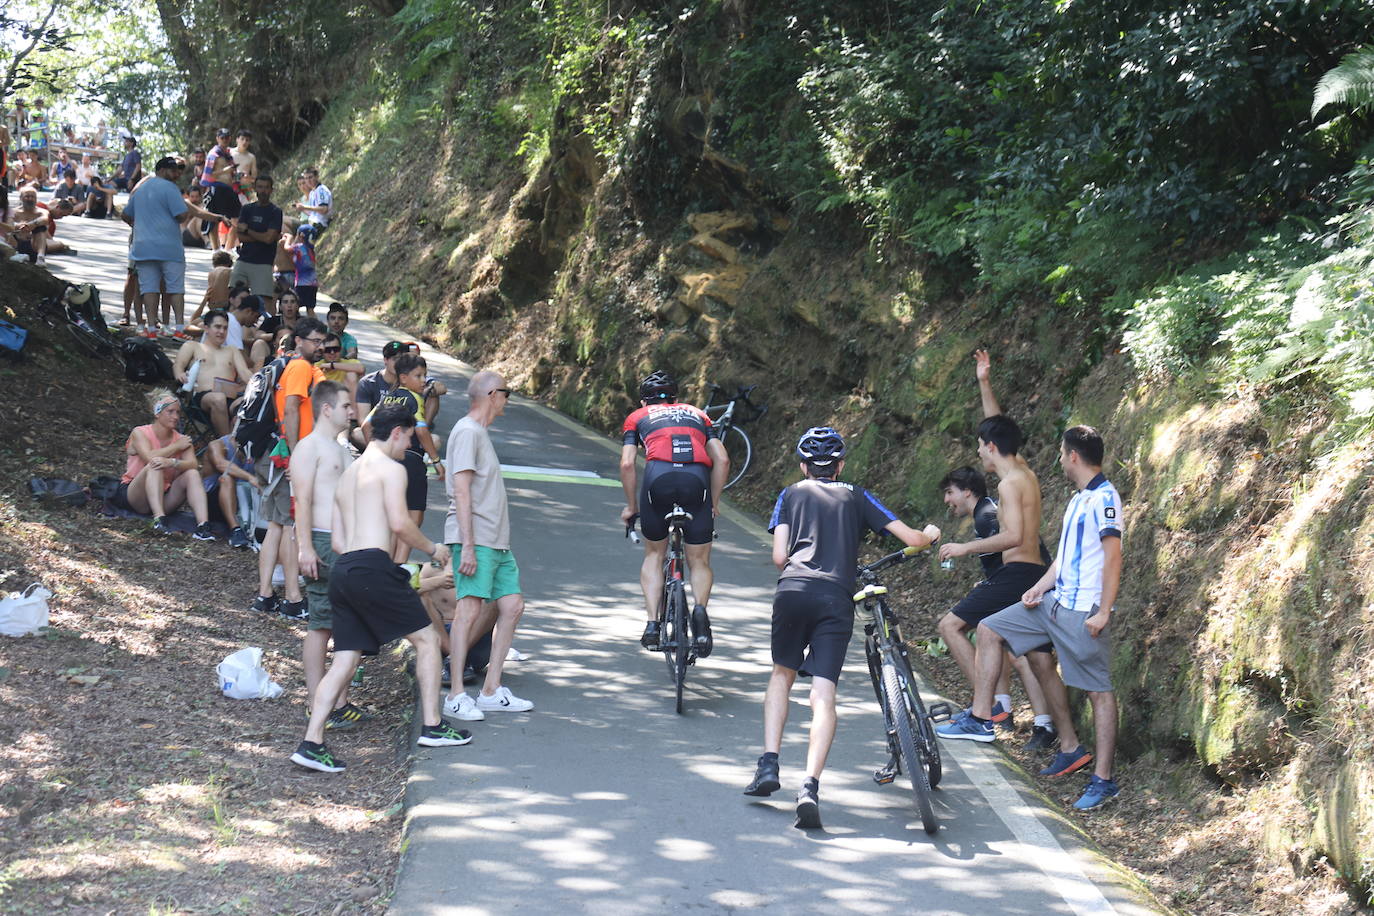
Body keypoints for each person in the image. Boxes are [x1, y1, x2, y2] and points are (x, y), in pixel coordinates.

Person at [745, 427, 941, 829]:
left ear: (803, 466)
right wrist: (931, 535)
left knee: (782, 674)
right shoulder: (856, 494)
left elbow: (779, 555)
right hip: (835, 596)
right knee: (823, 693)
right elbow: (912, 539)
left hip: (793, 589)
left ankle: (768, 764)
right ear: (841, 465)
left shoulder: (790, 494)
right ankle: (810, 787)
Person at [938, 425, 1124, 811]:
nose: (1058, 459)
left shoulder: (1105, 498)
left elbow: (1113, 555)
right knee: (989, 628)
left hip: (1082, 610)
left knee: (1098, 692)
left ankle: (1103, 780)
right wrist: (1041, 587)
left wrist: (1104, 610)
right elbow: (1063, 556)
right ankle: (981, 718)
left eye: (1060, 453)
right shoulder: (1078, 499)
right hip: (1053, 602)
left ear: (1073, 456)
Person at [290, 403, 472, 773]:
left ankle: (311, 743)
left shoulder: (348, 474)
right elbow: (400, 523)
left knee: (343, 660)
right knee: (425, 641)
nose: (409, 448)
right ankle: (434, 726)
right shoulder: (392, 469)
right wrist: (433, 550)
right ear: (397, 432)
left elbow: (339, 542)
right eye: (408, 439)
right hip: (373, 566)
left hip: (345, 570)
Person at [937, 466, 1057, 750]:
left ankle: (987, 707)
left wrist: (965, 548)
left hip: (1024, 580)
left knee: (950, 625)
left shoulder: (987, 512)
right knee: (1022, 652)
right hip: (1032, 580)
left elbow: (1013, 542)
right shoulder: (987, 511)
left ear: (967, 491)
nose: (947, 500)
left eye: (950, 492)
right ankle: (1042, 723)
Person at [440, 370, 534, 721]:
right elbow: (460, 489)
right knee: (469, 611)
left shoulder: (479, 433)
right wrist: (466, 545)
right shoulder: (467, 431)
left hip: (496, 542)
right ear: (493, 394)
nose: (508, 400)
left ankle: (491, 689)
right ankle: (457, 696)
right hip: (476, 538)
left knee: (512, 605)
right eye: (506, 393)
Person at [619, 370, 726, 655]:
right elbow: (723, 459)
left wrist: (632, 507)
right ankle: (700, 612)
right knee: (700, 561)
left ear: (644, 402)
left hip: (659, 481)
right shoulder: (698, 414)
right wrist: (712, 502)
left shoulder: (637, 418)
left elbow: (628, 464)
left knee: (655, 554)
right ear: (677, 398)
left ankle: (653, 625)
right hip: (697, 483)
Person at [291, 380, 367, 729]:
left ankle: (339, 699)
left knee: (347, 622)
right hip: (321, 542)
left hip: (347, 544)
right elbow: (302, 501)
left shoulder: (340, 448)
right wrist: (304, 547)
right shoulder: (309, 448)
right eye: (346, 406)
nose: (352, 412)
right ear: (326, 409)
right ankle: (314, 700)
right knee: (321, 623)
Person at [251, 318, 328, 620]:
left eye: (323, 341)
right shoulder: (300, 367)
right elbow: (292, 408)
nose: (319, 346)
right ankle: (293, 598)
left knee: (275, 525)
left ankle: (265, 594)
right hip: (288, 456)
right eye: (315, 341)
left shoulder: (300, 366)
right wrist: (296, 456)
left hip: (279, 452)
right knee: (290, 527)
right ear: (299, 341)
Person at [122, 156, 222, 338]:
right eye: (172, 170)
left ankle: (151, 329)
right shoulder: (170, 188)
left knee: (149, 288)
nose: (175, 173)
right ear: (162, 170)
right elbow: (182, 215)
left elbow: (126, 215)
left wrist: (140, 226)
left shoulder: (141, 189)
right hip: (169, 248)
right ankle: (178, 329)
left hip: (143, 247)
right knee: (175, 288)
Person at [362, 353, 444, 560]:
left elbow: (365, 425)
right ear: (404, 377)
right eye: (418, 376)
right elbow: (422, 431)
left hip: (387, 460)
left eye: (425, 375)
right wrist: (436, 460)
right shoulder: (414, 398)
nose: (423, 380)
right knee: (414, 516)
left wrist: (374, 450)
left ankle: (386, 563)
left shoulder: (386, 398)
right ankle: (399, 563)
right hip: (412, 459)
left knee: (391, 517)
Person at [110, 389, 214, 540]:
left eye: (178, 412)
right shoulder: (140, 432)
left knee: (192, 474)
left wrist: (172, 462)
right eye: (170, 412)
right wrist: (175, 448)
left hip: (165, 495)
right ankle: (160, 520)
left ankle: (203, 525)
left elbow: (192, 464)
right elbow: (148, 457)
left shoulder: (182, 439)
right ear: (157, 413)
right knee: (156, 465)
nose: (176, 417)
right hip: (135, 494)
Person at [172, 309, 251, 436]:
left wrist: (259, 385)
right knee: (218, 398)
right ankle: (227, 446)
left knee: (247, 403)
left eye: (225, 328)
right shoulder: (193, 346)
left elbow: (244, 372)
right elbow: (178, 365)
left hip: (230, 398)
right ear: (206, 328)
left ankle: (237, 445)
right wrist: (180, 374)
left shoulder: (231, 350)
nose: (222, 331)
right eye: (218, 327)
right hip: (202, 399)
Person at [230, 175, 283, 312]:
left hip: (264, 263)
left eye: (266, 187)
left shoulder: (275, 212)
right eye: (260, 187)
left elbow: (269, 239)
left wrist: (248, 230)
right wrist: (263, 236)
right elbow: (241, 237)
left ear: (271, 190)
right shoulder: (247, 209)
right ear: (255, 188)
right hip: (244, 259)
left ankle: (269, 329)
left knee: (265, 302)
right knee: (233, 296)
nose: (263, 191)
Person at [201, 432, 256, 548]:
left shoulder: (257, 445)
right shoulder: (217, 444)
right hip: (214, 501)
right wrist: (250, 477)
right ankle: (235, 530)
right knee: (226, 478)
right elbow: (221, 464)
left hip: (244, 502)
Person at [199, 130, 240, 250]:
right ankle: (216, 249)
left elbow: (232, 173)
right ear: (217, 138)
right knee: (214, 219)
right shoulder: (213, 154)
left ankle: (227, 249)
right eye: (222, 138)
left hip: (229, 188)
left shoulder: (228, 154)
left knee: (237, 219)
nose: (225, 140)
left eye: (227, 137)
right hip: (217, 188)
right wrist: (225, 170)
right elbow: (209, 174)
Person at [188, 250, 234, 332]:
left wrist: (204, 301)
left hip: (214, 309)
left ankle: (206, 330)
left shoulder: (211, 273)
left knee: (193, 325)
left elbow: (192, 322)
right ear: (229, 263)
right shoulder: (229, 272)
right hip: (224, 309)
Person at [7, 186, 49, 265]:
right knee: (10, 231)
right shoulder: (14, 211)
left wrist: (31, 225)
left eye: (32, 197)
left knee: (41, 227)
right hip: (18, 244)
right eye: (27, 196)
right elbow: (9, 225)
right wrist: (19, 226)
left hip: (34, 246)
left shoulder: (41, 211)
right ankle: (14, 253)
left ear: (36, 199)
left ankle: (40, 257)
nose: (30, 199)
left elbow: (45, 219)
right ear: (21, 198)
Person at [319, 332, 365, 404]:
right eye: (328, 350)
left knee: (351, 374)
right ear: (322, 352)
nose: (332, 352)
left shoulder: (348, 363)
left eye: (336, 349)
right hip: (324, 403)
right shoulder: (318, 365)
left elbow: (361, 368)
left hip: (347, 403)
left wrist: (331, 365)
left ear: (340, 349)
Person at [287, 226, 319, 316]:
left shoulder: (299, 247)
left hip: (302, 283)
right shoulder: (311, 249)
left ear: (300, 235)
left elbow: (287, 248)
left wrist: (288, 239)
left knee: (295, 306)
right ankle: (314, 325)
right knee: (310, 308)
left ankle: (296, 325)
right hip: (313, 283)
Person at [293, 166, 332, 238]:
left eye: (310, 177)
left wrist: (305, 207)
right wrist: (302, 209)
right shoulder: (312, 193)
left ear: (317, 177)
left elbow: (324, 209)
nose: (308, 181)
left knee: (301, 231)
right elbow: (313, 213)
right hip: (313, 223)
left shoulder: (321, 190)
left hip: (321, 224)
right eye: (306, 178)